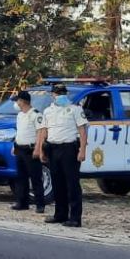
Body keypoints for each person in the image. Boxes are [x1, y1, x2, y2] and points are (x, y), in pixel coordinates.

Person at [39, 84, 89, 228]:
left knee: (72, 184)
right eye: (57, 93)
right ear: (52, 95)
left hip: (69, 148)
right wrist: (42, 150)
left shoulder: (75, 109)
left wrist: (82, 150)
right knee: (57, 183)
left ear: (66, 95)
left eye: (62, 93)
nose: (59, 96)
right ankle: (60, 214)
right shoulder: (48, 111)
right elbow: (44, 131)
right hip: (53, 148)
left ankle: (75, 218)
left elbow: (82, 131)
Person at [11, 91, 45, 213]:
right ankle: (22, 202)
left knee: (35, 178)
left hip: (30, 149)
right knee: (21, 178)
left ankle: (40, 204)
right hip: (20, 148)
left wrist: (38, 148)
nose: (16, 103)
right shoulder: (20, 115)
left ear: (23, 101)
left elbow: (41, 131)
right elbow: (19, 131)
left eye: (17, 100)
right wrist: (14, 145)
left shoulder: (35, 114)